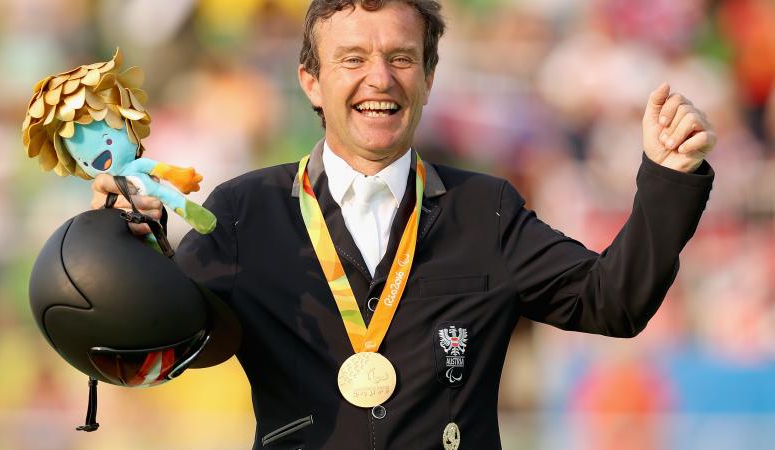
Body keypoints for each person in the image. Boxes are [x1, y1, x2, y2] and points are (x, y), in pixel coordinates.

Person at [91, 1, 716, 448]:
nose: (379, 79)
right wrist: (129, 254)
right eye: (353, 58)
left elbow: (614, 303)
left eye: (401, 58)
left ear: (429, 76)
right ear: (311, 80)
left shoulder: (487, 208)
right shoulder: (243, 210)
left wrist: (667, 180)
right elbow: (167, 346)